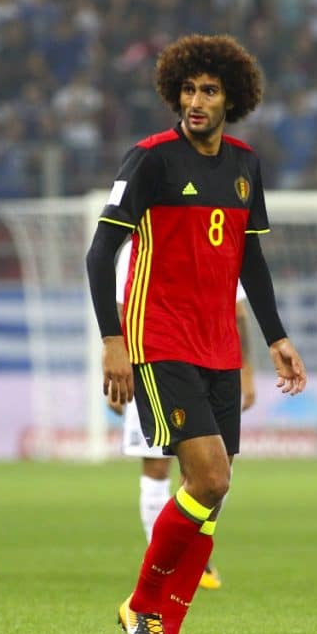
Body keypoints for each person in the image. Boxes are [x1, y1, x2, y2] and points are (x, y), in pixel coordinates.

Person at [85, 34, 306, 634]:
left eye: (209, 90)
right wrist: (113, 341)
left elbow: (249, 259)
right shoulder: (150, 159)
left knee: (212, 493)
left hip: (218, 344)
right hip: (159, 340)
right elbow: (100, 254)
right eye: (187, 89)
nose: (196, 101)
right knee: (208, 478)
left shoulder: (245, 165)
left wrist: (276, 337)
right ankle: (140, 608)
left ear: (232, 99)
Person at [109, 240, 256, 593]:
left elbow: (238, 311)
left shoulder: (216, 235)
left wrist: (246, 370)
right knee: (157, 465)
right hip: (153, 363)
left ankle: (189, 555)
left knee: (213, 470)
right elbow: (122, 310)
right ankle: (162, 558)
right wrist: (119, 364)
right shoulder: (137, 247)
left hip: (212, 365)